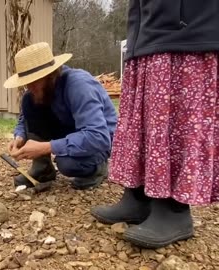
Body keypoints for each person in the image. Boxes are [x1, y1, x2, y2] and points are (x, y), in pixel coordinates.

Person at [91, 0, 219, 249]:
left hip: (186, 35)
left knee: (175, 125)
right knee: (143, 125)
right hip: (145, 37)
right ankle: (137, 196)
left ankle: (174, 210)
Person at [5, 42, 117, 191]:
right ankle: (42, 168)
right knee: (28, 101)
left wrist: (46, 147)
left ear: (49, 75)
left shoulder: (79, 86)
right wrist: (19, 136)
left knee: (68, 164)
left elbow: (99, 137)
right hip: (70, 128)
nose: (29, 87)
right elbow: (25, 119)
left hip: (100, 141)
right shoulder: (39, 91)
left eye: (33, 82)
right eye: (26, 83)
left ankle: (99, 167)